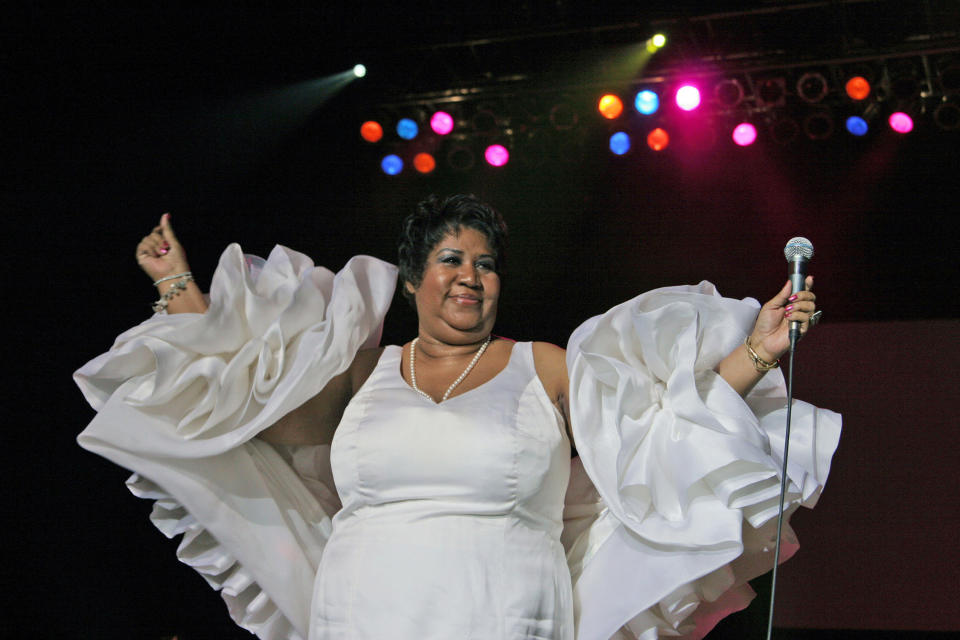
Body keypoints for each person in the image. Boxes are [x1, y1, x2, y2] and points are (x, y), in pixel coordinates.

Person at [76, 195, 840, 640]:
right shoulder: (361, 375)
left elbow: (659, 425)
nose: (470, 275)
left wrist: (760, 354)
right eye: (450, 259)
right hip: (360, 612)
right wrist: (179, 285)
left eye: (485, 262)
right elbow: (243, 407)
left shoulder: (542, 365)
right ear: (412, 280)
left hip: (506, 610)